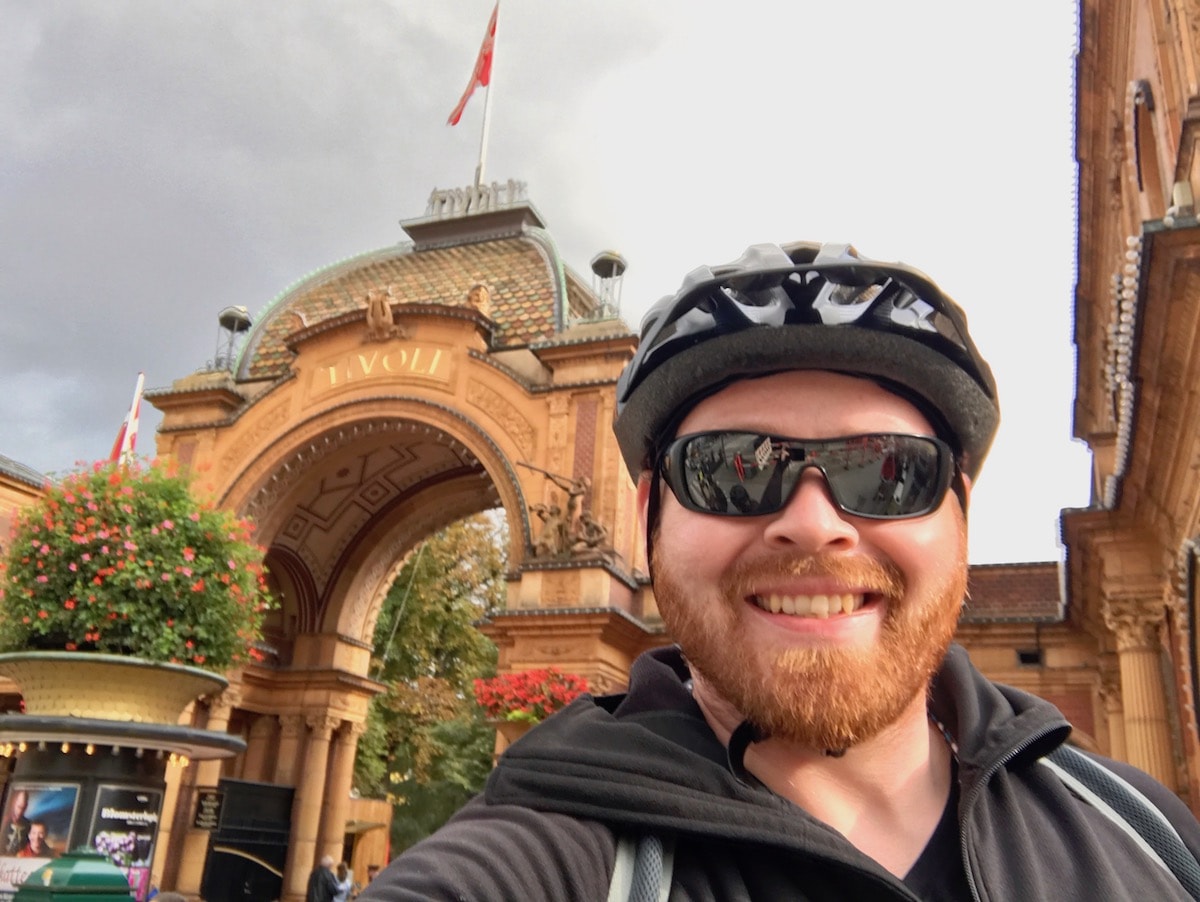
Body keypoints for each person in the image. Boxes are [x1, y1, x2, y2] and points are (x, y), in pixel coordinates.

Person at [360, 242, 1200, 899]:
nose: (813, 524)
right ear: (653, 512)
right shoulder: (544, 866)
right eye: (732, 469)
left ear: (962, 513)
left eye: (887, 471)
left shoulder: (1144, 831)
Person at [1, 788, 29, 854]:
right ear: (14, 803)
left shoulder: (28, 824)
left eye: (23, 808)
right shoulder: (4, 821)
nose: (20, 812)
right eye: (19, 807)